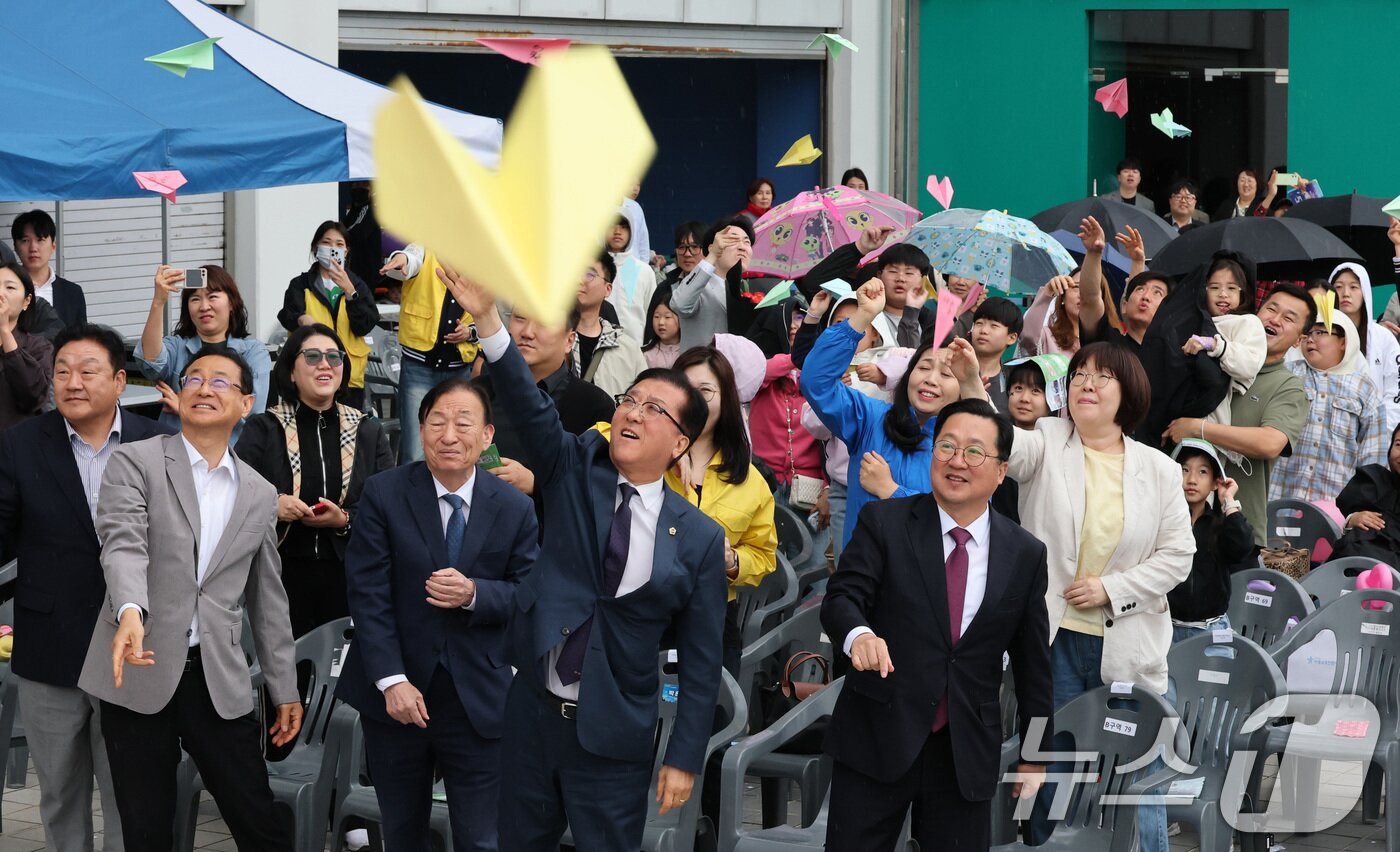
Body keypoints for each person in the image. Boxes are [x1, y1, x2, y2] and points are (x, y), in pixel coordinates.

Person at [438, 268, 727, 852]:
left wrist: (683, 757)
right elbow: (526, 401)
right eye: (631, 400)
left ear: (679, 444)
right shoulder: (574, 468)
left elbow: (701, 660)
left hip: (615, 735)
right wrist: (491, 322)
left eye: (655, 410)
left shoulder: (697, 537)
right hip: (531, 720)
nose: (634, 413)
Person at [78, 347, 302, 852]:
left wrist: (283, 686)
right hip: (140, 664)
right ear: (179, 395)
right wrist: (130, 611)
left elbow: (268, 598)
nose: (204, 388)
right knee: (146, 827)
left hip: (216, 676)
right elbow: (123, 543)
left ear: (247, 404)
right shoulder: (135, 462)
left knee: (257, 819)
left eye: (221, 382)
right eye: (194, 378)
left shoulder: (261, 492)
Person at [821, 398, 1052, 852]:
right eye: (946, 446)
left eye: (974, 452)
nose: (956, 461)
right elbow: (843, 597)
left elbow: (1034, 666)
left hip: (964, 750)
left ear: (1001, 471)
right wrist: (859, 635)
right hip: (879, 734)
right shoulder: (885, 522)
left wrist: (1035, 755)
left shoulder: (1024, 553)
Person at [336, 377, 537, 851]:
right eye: (437, 422)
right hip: (398, 693)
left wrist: (475, 594)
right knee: (402, 832)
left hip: (479, 694)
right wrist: (391, 679)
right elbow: (367, 592)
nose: (450, 434)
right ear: (420, 428)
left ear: (487, 436)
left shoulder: (513, 507)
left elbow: (529, 594)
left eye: (464, 422)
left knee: (482, 837)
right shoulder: (384, 494)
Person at [1009, 342, 1194, 851]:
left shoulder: (1158, 468)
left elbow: (1178, 556)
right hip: (1057, 639)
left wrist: (1111, 590)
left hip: (1129, 641)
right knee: (1052, 764)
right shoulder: (1046, 438)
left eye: (1101, 377)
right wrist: (967, 388)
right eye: (1078, 375)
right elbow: (1001, 446)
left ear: (1128, 392)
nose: (1085, 384)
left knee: (1139, 770)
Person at [0, 323, 172, 852]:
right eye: (61, 372)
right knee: (59, 792)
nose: (72, 383)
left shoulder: (157, 443)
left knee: (128, 790)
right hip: (50, 643)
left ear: (120, 381)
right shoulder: (23, 443)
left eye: (88, 371)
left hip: (134, 644)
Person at [799, 280, 986, 548]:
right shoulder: (871, 418)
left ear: (962, 388)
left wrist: (892, 492)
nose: (930, 380)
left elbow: (964, 516)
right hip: (863, 573)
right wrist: (862, 316)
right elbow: (816, 382)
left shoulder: (969, 447)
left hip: (927, 577)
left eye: (946, 374)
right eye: (922, 368)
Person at [235, 324, 394, 637]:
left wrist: (345, 519)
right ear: (292, 372)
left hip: (350, 574)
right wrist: (273, 504)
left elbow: (389, 504)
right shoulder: (264, 428)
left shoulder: (367, 430)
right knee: (285, 673)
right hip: (279, 571)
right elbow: (233, 492)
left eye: (334, 357)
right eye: (312, 356)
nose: (325, 364)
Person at [1163, 283, 1313, 551]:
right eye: (1271, 309)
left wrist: (1199, 428)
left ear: (1300, 340)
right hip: (1176, 519)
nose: (1275, 320)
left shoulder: (1288, 386)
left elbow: (1270, 443)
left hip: (1236, 528)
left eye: (1289, 318)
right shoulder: (1213, 359)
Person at [669, 347, 778, 674]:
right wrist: (666, 449)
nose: (693, 400)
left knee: (708, 717)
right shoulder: (643, 455)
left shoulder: (750, 478)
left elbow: (763, 555)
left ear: (726, 399)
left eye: (705, 391)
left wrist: (732, 563)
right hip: (642, 612)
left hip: (712, 616)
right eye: (684, 388)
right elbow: (600, 434)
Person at [1077, 216, 1230, 448]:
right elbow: (1089, 299)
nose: (1146, 296)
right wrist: (1094, 253)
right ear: (1124, 305)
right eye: (1139, 290)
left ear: (1170, 310)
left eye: (1158, 293)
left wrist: (1138, 262)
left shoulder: (1180, 355)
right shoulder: (1109, 345)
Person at [475, 304, 616, 526]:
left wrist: (536, 484)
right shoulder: (477, 394)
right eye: (520, 318)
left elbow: (600, 489)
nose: (527, 332)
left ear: (570, 340)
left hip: (550, 540)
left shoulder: (595, 405)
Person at [1268, 301, 1386, 504]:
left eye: (1321, 333)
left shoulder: (1364, 388)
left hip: (1335, 505)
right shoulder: (1289, 373)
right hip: (1278, 495)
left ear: (1343, 341)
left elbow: (1372, 454)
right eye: (1308, 333)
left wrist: (1361, 505)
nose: (1311, 339)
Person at [136, 264, 270, 442]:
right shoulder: (177, 347)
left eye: (212, 297)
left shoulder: (254, 352)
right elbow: (150, 365)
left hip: (232, 452)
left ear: (231, 303)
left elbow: (252, 412)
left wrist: (185, 407)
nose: (204, 306)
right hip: (175, 451)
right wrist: (158, 301)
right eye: (195, 299)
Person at [380, 244, 481, 462]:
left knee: (456, 445)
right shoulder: (426, 247)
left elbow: (493, 319)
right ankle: (414, 496)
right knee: (416, 450)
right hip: (419, 366)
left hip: (459, 370)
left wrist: (470, 333)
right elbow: (410, 259)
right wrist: (400, 260)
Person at [277, 221, 381, 412]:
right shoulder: (300, 284)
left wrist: (350, 292)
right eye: (327, 242)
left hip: (348, 377)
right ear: (315, 247)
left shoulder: (357, 285)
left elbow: (364, 325)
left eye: (339, 245)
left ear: (347, 251)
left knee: (347, 435)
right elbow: (287, 315)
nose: (333, 248)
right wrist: (301, 319)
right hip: (310, 373)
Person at [1180, 253, 1267, 462]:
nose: (1223, 295)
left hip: (1211, 418)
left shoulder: (1247, 323)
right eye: (1215, 287)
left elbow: (1249, 364)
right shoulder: (1188, 319)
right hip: (1177, 414)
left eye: (1231, 288)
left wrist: (1215, 345)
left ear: (1242, 293)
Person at [1169, 438, 1253, 642]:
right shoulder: (1164, 520)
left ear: (1216, 482)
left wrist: (1229, 501)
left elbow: (1243, 547)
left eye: (1202, 472)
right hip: (1165, 628)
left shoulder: (1221, 523)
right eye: (1184, 470)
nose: (1191, 480)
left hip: (1212, 629)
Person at [800, 224, 934, 347]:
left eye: (909, 273)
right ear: (879, 275)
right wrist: (860, 248)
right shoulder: (855, 310)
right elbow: (813, 282)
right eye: (893, 271)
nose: (900, 278)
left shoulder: (933, 322)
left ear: (922, 280)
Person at [1329, 262, 1400, 431]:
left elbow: (1394, 391)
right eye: (1338, 287)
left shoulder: (1383, 337)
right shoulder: (1317, 336)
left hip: (1375, 434)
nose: (1345, 293)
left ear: (1365, 291)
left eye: (1354, 287)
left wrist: (1380, 433)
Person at [670, 218, 755, 350]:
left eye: (747, 242)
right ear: (712, 248)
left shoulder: (750, 290)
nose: (742, 247)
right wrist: (712, 256)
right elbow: (679, 303)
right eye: (733, 240)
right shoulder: (700, 286)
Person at [574, 251, 649, 398]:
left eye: (589, 274)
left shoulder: (628, 349)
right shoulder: (547, 336)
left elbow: (644, 397)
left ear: (608, 289)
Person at [1332, 423, 1400, 565]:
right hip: (1347, 569)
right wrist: (1352, 520)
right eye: (1398, 445)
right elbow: (1348, 526)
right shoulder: (1373, 480)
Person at [0, 262, 54, 430]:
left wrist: (4, 331)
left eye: (10, 288)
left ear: (26, 301)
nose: (0, 293)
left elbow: (33, 397)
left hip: (14, 447)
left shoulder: (38, 347)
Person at [11, 209, 86, 329]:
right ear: (15, 247)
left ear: (53, 246)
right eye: (25, 241)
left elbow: (81, 340)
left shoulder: (72, 292)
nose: (33, 248)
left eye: (40, 240)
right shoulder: (5, 291)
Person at [606, 211, 658, 343]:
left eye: (624, 226)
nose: (617, 231)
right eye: (612, 225)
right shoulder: (592, 269)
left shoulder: (644, 271)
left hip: (635, 348)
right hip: (598, 349)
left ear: (632, 231)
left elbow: (651, 313)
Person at [969, 296, 1022, 412]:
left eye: (994, 326)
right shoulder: (956, 371)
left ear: (1012, 338)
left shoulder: (1013, 381)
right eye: (979, 323)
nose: (983, 330)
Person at [1003, 353, 1069, 429]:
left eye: (1035, 391)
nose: (1024, 399)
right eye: (1018, 388)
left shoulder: (1061, 438)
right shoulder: (996, 435)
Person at [1212, 168, 1280, 221]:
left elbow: (1258, 223)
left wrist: (1271, 194)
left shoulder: (1264, 206)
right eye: (1242, 180)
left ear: (1257, 184)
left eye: (1249, 181)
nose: (1246, 184)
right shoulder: (1226, 205)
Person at [642, 294, 682, 368]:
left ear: (681, 321)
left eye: (667, 317)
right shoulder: (645, 354)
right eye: (657, 316)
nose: (661, 322)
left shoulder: (688, 351)